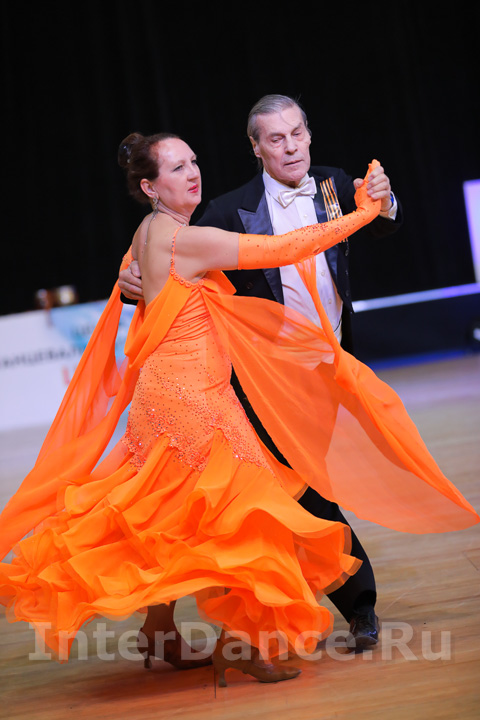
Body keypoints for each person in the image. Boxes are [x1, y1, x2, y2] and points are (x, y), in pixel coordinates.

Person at [0, 132, 477, 690]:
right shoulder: (187, 240)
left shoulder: (149, 231)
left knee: (167, 512)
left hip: (162, 395)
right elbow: (282, 249)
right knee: (246, 513)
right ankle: (247, 645)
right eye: (177, 168)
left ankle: (160, 632)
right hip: (194, 400)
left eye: (193, 162)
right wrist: (362, 215)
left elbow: (141, 277)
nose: (192, 174)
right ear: (150, 186)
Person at [118, 94, 403, 649]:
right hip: (257, 379)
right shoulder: (226, 211)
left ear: (309, 134)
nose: (291, 146)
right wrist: (129, 283)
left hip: (325, 364)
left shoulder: (332, 182)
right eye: (276, 138)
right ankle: (331, 611)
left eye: (297, 133)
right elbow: (171, 259)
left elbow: (384, 223)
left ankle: (179, 627)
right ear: (256, 147)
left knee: (228, 499)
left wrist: (382, 202)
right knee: (288, 490)